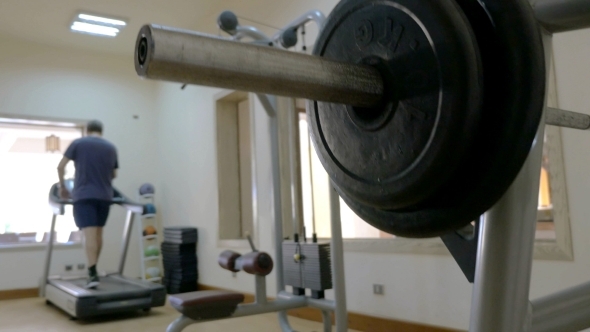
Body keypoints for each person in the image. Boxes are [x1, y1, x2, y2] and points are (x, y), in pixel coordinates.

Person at [57, 120, 118, 289]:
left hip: (84, 195)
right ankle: (94, 270)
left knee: (89, 234)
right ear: (101, 131)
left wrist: (63, 186)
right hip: (105, 196)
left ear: (86, 130)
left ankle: (92, 273)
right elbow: (114, 174)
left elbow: (60, 167)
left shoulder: (78, 143)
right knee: (98, 234)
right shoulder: (111, 147)